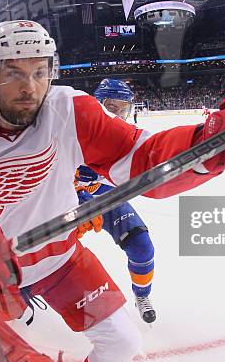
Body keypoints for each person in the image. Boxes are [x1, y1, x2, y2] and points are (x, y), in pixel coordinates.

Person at [0, 20, 225, 361]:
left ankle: (140, 297)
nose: (29, 87)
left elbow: (143, 157)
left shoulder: (68, 109)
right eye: (14, 73)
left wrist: (218, 140)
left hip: (61, 261)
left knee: (123, 343)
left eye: (39, 72)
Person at [76, 79, 156, 324]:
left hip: (107, 200)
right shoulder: (74, 130)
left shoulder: (130, 139)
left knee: (142, 248)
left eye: (123, 109)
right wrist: (78, 194)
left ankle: (142, 296)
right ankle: (21, 291)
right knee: (45, 252)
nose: (117, 115)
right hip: (68, 204)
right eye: (111, 107)